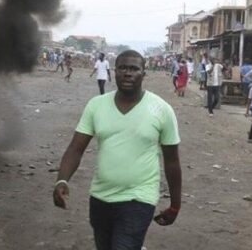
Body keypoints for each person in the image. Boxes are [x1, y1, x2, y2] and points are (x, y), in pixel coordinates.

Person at [53, 50, 181, 249]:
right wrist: (62, 180)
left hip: (139, 198)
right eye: (122, 68)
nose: (127, 73)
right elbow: (75, 148)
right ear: (115, 71)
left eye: (134, 69)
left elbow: (172, 160)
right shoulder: (96, 106)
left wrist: (175, 204)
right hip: (100, 197)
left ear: (143, 74)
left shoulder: (161, 110)